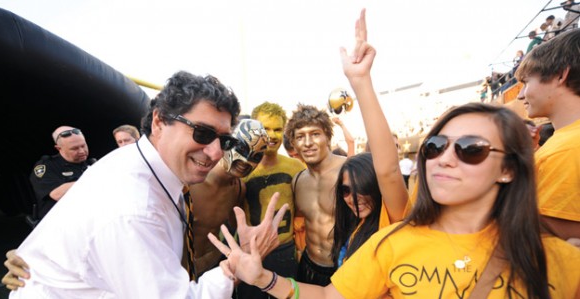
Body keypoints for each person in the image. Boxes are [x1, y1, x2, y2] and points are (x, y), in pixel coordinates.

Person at [208, 10, 580, 298]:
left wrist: (361, 85)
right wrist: (263, 278)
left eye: (470, 149)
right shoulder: (396, 241)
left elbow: (384, 172)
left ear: (509, 169)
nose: (444, 158)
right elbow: (327, 294)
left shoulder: (562, 263)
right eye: (435, 146)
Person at [3, 71, 287, 298]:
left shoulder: (145, 168)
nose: (214, 152)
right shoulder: (135, 208)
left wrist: (39, 256)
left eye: (224, 141)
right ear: (159, 121)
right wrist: (234, 268)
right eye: (201, 133)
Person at [515, 28, 580, 243]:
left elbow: (552, 242)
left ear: (561, 75)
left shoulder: (566, 149)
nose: (521, 94)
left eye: (526, 82)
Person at [237, 101, 306, 299]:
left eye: (277, 129)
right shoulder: (241, 169)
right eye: (265, 128)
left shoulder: (296, 167)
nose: (272, 135)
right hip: (251, 251)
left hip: (284, 250)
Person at [189, 118, 268, 277]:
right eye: (241, 148)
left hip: (216, 266)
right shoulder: (191, 183)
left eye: (256, 157)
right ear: (225, 143)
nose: (246, 161)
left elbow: (237, 228)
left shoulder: (239, 189)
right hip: (183, 270)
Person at [285, 103, 346, 286]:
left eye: (315, 134)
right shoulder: (297, 181)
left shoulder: (348, 170)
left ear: (328, 137)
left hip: (344, 268)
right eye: (300, 137)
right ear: (293, 143)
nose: (308, 142)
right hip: (308, 266)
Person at [30, 126, 93, 220]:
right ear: (59, 148)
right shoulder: (47, 166)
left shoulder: (91, 163)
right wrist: (93, 179)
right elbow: (56, 194)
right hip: (59, 221)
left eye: (83, 145)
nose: (81, 151)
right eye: (74, 148)